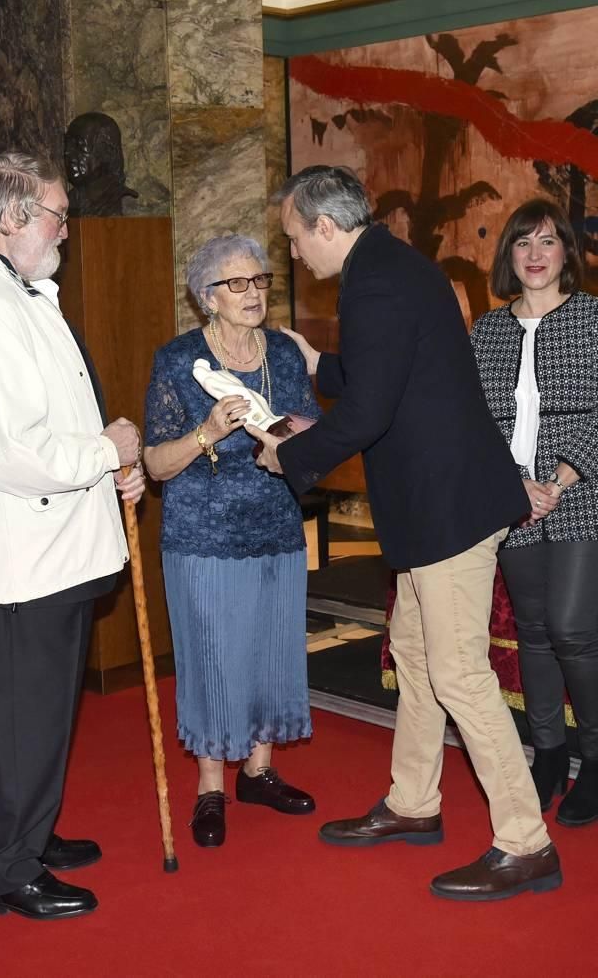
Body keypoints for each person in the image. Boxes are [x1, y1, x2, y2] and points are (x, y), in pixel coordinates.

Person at [252, 165, 562, 902]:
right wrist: (315, 361)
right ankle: (414, 800)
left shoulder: (377, 280)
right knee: (420, 658)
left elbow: (369, 412)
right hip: (435, 507)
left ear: (325, 227)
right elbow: (385, 372)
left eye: (295, 237)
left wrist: (287, 453)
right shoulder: (385, 267)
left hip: (448, 508)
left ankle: (526, 841)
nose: (295, 253)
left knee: (457, 672)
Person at [0, 152, 145, 920]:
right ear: (11, 220)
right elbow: (14, 453)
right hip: (18, 558)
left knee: (44, 716)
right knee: (24, 721)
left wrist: (105, 462)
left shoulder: (16, 293)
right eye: (56, 213)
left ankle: (32, 836)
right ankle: (7, 870)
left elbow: (52, 420)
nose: (66, 228)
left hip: (49, 549)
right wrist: (107, 452)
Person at [143, 235, 321, 848]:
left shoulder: (285, 356)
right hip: (203, 536)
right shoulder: (177, 361)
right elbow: (157, 464)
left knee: (272, 650)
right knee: (215, 660)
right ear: (206, 297)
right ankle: (211, 787)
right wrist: (205, 432)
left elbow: (310, 429)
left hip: (276, 526)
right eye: (237, 284)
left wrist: (290, 438)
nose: (253, 294)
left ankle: (260, 771)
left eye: (260, 281)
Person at [471, 198, 598, 827]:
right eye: (524, 244)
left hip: (583, 492)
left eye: (548, 242)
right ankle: (548, 752)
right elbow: (475, 422)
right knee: (535, 631)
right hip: (513, 498)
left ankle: (595, 759)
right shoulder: (488, 332)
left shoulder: (594, 320)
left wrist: (561, 475)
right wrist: (518, 484)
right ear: (508, 257)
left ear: (567, 253)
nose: (536, 255)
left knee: (574, 628)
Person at [63, 112, 138, 216]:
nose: (68, 152)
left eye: (79, 146)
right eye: (68, 145)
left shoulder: (120, 199)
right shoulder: (69, 200)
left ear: (106, 152)